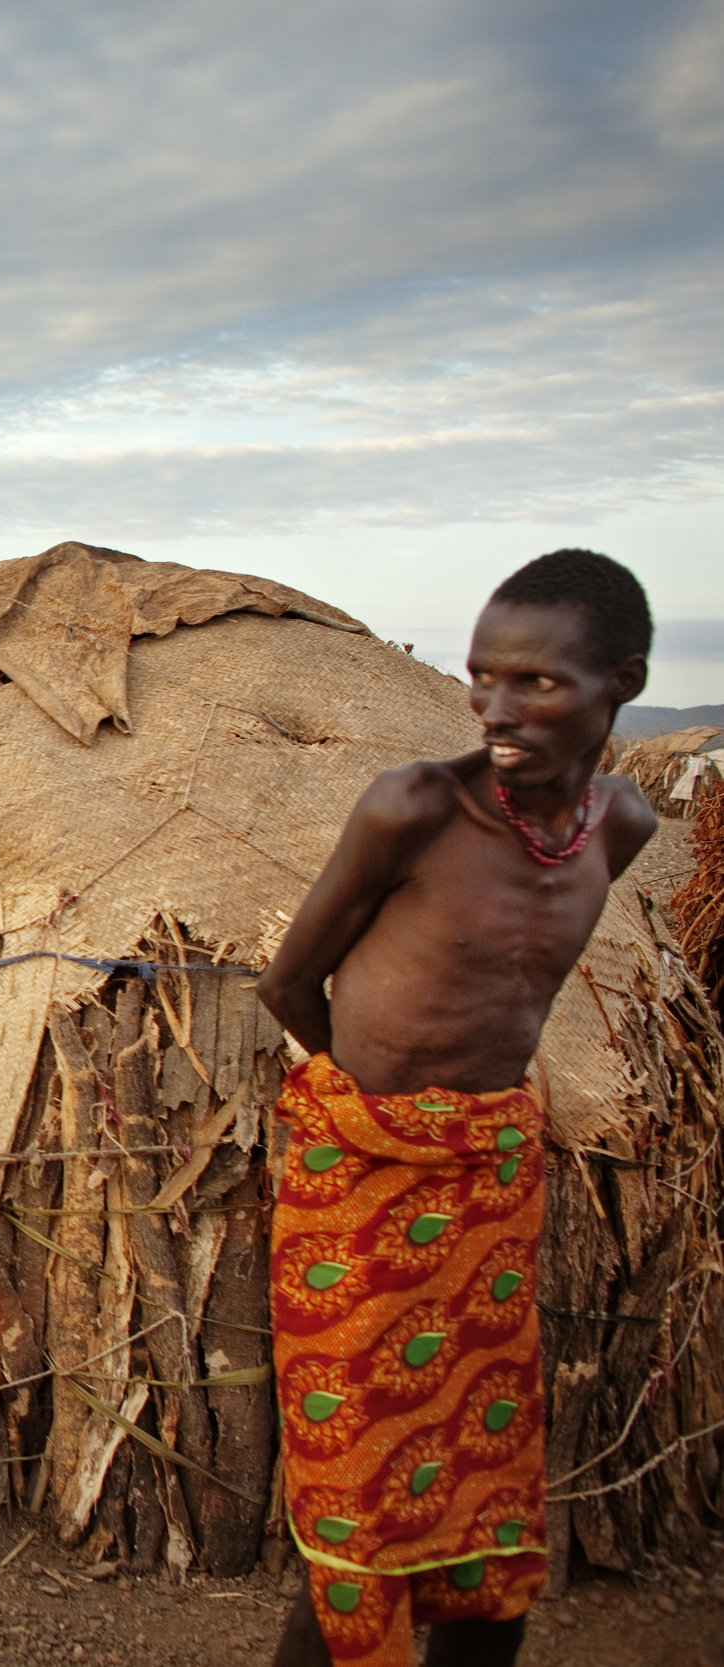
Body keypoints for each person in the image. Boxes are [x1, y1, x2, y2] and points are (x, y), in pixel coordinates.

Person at [252, 550, 655, 1666]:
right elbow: (288, 985)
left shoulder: (618, 827)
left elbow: (510, 987)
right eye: (481, 677)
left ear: (619, 680)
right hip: (363, 1181)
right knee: (358, 1488)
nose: (494, 707)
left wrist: (460, 1125)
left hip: (486, 1190)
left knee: (483, 1477)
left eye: (536, 682)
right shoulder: (416, 806)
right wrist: (378, 1110)